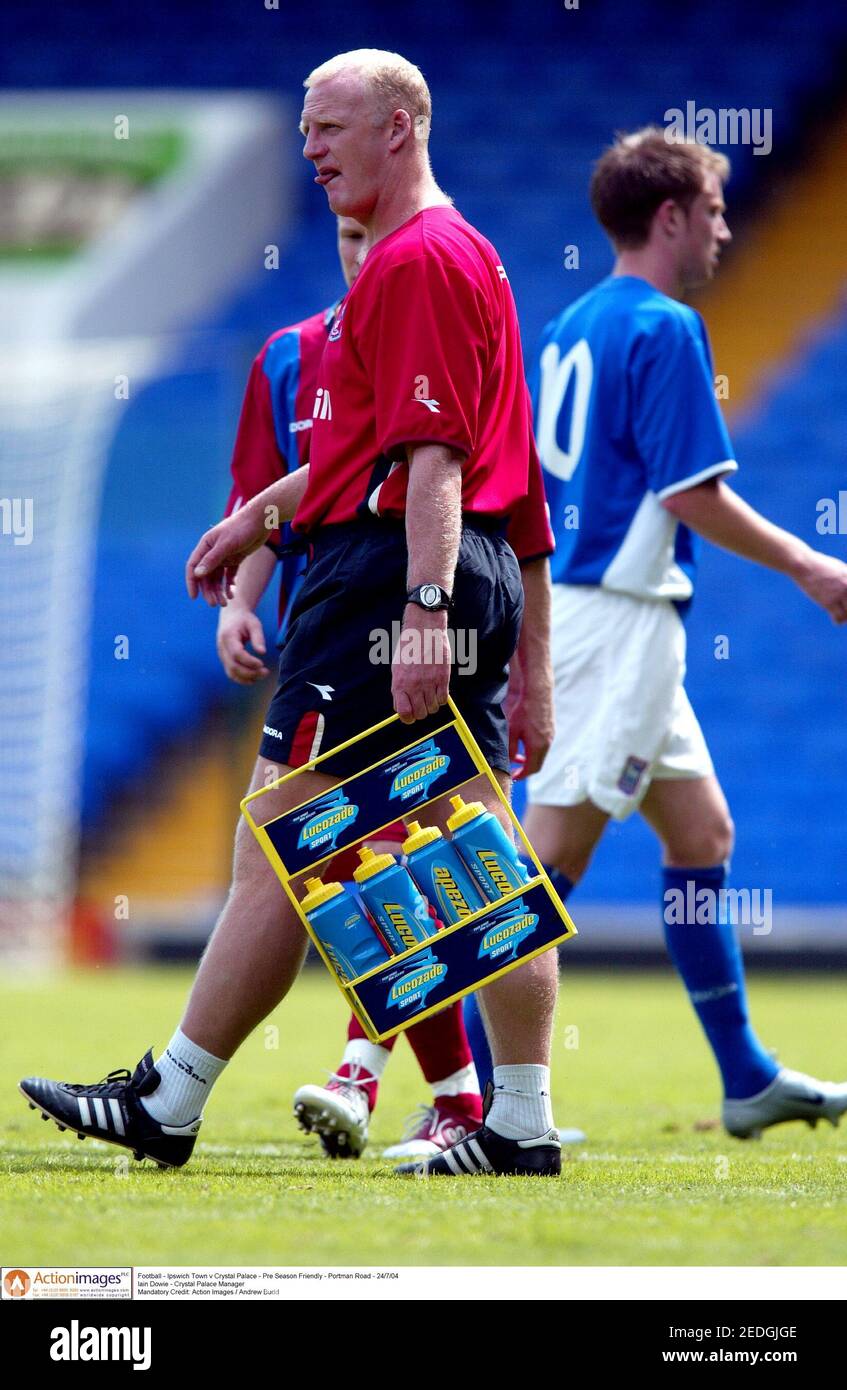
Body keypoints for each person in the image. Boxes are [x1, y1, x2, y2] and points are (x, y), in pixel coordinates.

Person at [20, 49, 561, 1180]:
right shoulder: (461, 255)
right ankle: (511, 1114)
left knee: (283, 846)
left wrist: (417, 609)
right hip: (438, 567)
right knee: (474, 845)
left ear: (402, 127)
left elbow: (431, 462)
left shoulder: (414, 260)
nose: (310, 146)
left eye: (331, 126)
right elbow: (380, 457)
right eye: (307, 127)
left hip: (388, 576)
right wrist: (259, 520)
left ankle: (174, 1097)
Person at [515, 127, 847, 1140]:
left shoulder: (574, 320)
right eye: (712, 211)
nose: (724, 229)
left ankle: (744, 1075)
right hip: (613, 621)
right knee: (542, 867)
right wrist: (807, 562)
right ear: (669, 217)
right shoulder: (664, 327)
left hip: (607, 615)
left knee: (700, 833)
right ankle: (471, 1097)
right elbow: (690, 495)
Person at [218, 214, 487, 1161]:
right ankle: (456, 1094)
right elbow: (256, 496)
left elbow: (458, 475)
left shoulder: (430, 324)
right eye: (343, 231)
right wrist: (236, 606)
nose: (359, 243)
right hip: (324, 625)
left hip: (398, 610)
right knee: (353, 858)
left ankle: (370, 1076)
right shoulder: (290, 354)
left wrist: (435, 613)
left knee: (377, 850)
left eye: (372, 229)